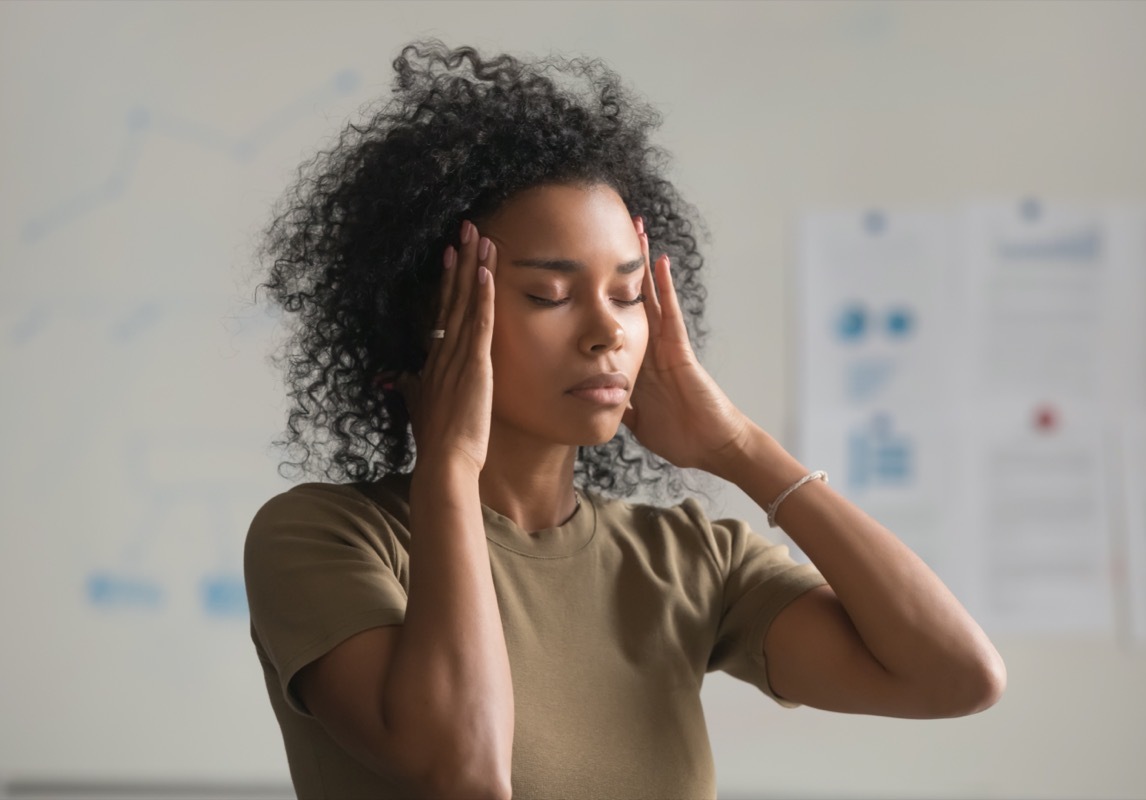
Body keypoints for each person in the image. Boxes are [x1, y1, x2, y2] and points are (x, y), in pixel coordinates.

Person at [244, 40, 1005, 800]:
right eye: (549, 294)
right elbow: (464, 769)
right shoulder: (323, 538)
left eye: (629, 293)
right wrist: (449, 467)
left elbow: (956, 678)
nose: (608, 331)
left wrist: (741, 449)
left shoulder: (683, 560)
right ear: (421, 324)